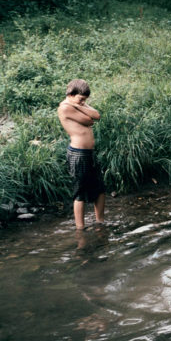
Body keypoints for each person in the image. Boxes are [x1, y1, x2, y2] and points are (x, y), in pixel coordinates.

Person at [57, 79, 106, 230]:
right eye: (81, 99)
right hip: (78, 153)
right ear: (70, 94)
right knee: (80, 191)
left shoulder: (75, 104)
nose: (83, 102)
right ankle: (80, 228)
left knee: (100, 188)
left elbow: (97, 115)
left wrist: (79, 104)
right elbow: (89, 120)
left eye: (85, 100)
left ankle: (100, 222)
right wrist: (77, 105)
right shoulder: (65, 108)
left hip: (88, 152)